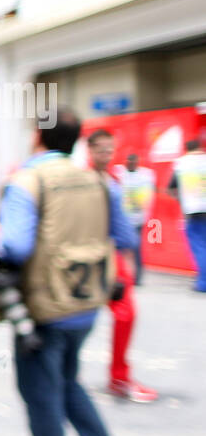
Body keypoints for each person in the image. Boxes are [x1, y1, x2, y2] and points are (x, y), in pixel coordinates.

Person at [0, 110, 135, 436]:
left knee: (42, 395)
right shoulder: (99, 181)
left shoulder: (28, 181)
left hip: (44, 309)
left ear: (38, 134)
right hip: (88, 305)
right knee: (69, 382)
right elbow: (125, 237)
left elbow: (16, 248)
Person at [87, 130, 157, 402]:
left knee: (125, 313)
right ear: (90, 150)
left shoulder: (115, 178)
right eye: (101, 149)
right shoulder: (83, 180)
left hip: (111, 254)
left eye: (109, 149)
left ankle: (119, 377)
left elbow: (124, 229)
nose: (106, 154)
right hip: (87, 255)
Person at [111, 151, 155, 284]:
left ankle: (136, 277)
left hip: (137, 219)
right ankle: (122, 274)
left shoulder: (144, 175)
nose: (130, 164)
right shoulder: (120, 173)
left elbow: (148, 195)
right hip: (123, 218)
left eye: (133, 162)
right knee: (120, 248)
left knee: (135, 247)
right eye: (129, 162)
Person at [169, 138, 206, 292]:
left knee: (199, 247)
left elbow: (171, 189)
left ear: (186, 149)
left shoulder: (181, 164)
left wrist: (182, 200)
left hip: (192, 211)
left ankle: (203, 282)